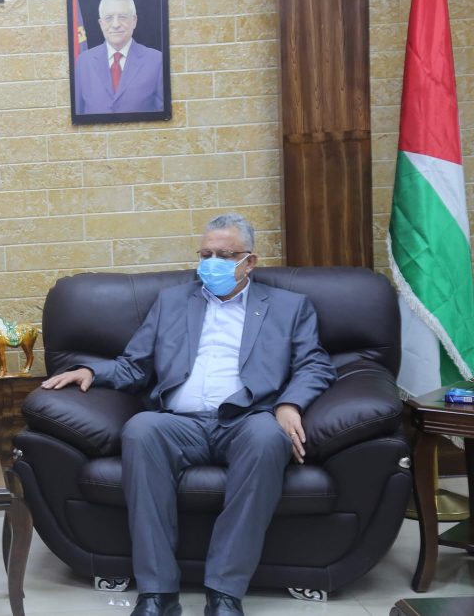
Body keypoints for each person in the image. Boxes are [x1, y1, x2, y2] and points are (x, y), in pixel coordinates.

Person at [41, 214, 336, 616]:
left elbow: (315, 365)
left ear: (249, 262)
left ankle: (225, 593)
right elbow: (134, 365)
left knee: (269, 437)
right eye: (205, 254)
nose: (211, 263)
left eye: (224, 255)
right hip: (179, 423)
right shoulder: (172, 302)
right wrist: (90, 371)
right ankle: (157, 594)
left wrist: (289, 404)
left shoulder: (289, 306)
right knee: (141, 429)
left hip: (248, 419)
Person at [74, 0, 164, 115]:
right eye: (109, 18)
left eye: (122, 17)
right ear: (101, 24)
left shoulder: (157, 61)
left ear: (134, 21)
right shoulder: (83, 62)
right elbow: (78, 115)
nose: (115, 24)